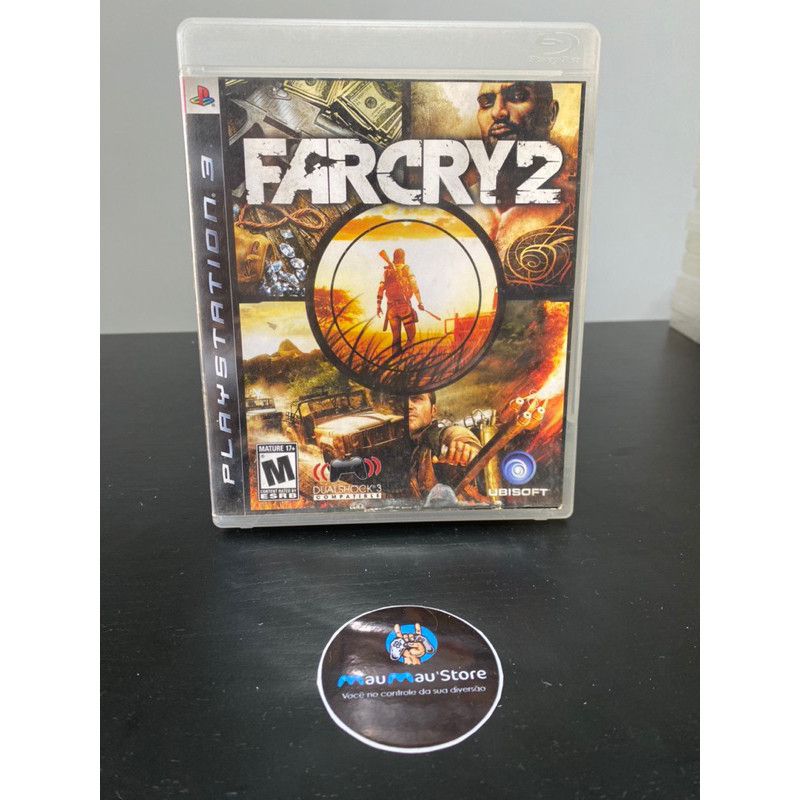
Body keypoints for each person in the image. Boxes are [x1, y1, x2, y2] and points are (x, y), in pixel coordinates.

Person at [469, 81, 576, 285]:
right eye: (486, 103)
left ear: (550, 114)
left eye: (518, 97)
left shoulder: (576, 209)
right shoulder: (451, 207)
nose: (498, 112)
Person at [406, 391, 481, 500]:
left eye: (416, 399)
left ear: (433, 410)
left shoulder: (442, 436)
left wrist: (468, 451)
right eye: (403, 402)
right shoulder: (404, 447)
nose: (408, 406)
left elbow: (461, 438)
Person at [376, 248, 424, 356]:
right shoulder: (407, 269)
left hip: (391, 309)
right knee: (411, 338)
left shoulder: (386, 272)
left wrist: (378, 305)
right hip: (404, 307)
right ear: (403, 257)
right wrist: (420, 302)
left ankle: (395, 360)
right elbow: (414, 286)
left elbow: (380, 288)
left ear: (394, 257)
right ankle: (407, 359)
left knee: (396, 339)